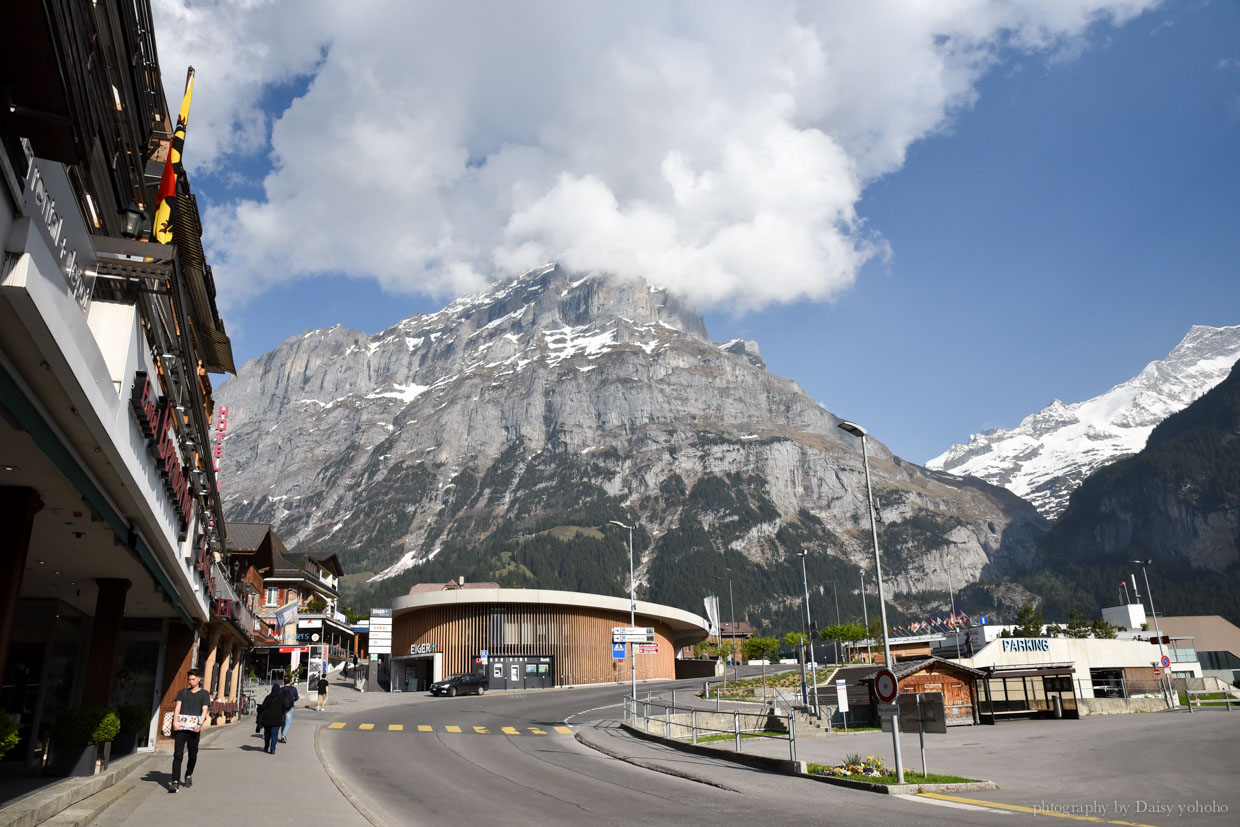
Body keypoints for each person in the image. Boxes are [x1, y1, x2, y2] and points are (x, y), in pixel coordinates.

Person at [168, 668, 210, 793]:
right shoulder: (183, 693)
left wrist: (200, 724)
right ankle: (175, 781)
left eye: (193, 679)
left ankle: (188, 774)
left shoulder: (204, 694)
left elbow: (204, 710)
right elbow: (177, 707)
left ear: (199, 679)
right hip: (181, 728)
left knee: (193, 755)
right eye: (189, 679)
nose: (190, 681)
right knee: (178, 754)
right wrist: (175, 722)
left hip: (194, 729)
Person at [256, 682, 290, 754]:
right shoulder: (281, 698)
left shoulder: (268, 697)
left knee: (267, 734)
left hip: (267, 719)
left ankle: (266, 747)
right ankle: (272, 748)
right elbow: (284, 708)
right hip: (277, 719)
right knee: (274, 735)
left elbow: (263, 707)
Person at [280, 675, 299, 742]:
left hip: (281, 707)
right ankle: (284, 735)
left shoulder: (281, 689)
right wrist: (292, 700)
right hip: (290, 706)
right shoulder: (293, 689)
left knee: (282, 722)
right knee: (288, 721)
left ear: (284, 682)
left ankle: (282, 734)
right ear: (290, 682)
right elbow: (297, 698)